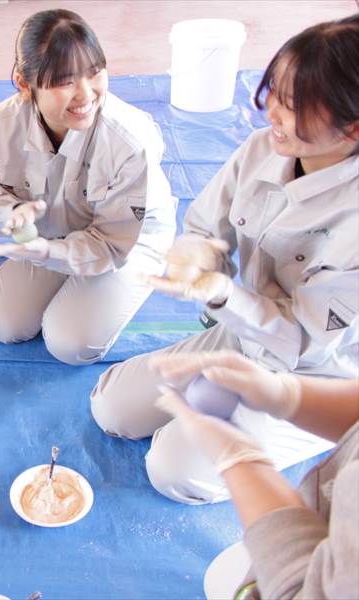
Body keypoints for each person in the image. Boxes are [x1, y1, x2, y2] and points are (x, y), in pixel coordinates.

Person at [90, 15, 359, 503]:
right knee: (112, 407)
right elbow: (205, 224)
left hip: (315, 373)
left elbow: (300, 343)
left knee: (174, 470)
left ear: (352, 128)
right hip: (241, 334)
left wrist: (222, 294)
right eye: (274, 91)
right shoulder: (263, 149)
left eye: (293, 105)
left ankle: (326, 428)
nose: (271, 112)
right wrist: (196, 253)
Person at [0, 9, 177, 364]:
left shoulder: (128, 140)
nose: (85, 94)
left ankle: (143, 270)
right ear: (24, 84)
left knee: (69, 343)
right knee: (0, 321)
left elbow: (111, 243)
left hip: (125, 242)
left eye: (95, 72)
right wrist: (12, 215)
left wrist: (46, 253)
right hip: (52, 235)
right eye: (65, 81)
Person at [151, 351, 358, 599]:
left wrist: (238, 459)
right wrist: (287, 396)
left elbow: (304, 592)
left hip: (307, 574)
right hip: (329, 528)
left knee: (177, 470)